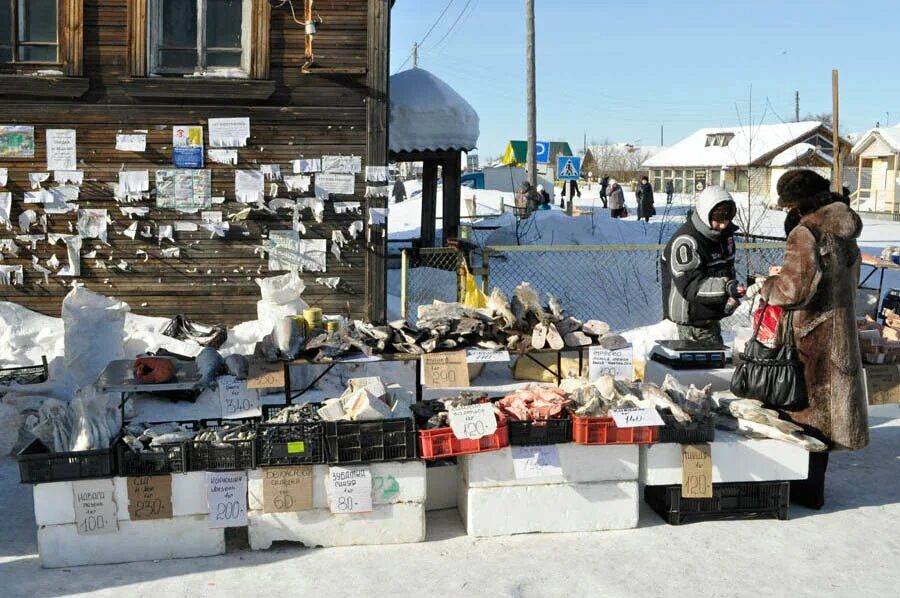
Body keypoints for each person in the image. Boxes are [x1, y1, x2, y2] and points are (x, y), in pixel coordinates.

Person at [745, 169, 868, 509]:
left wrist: (767, 284)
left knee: (802, 414)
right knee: (824, 419)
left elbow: (792, 289)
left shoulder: (807, 232)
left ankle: (799, 491)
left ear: (798, 204)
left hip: (811, 337)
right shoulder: (846, 230)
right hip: (839, 332)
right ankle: (814, 491)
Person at [661, 185, 744, 344]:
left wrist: (730, 296)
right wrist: (726, 287)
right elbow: (691, 285)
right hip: (691, 322)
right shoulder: (686, 242)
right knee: (704, 368)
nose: (723, 225)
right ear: (705, 214)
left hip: (711, 318)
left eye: (727, 220)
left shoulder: (723, 238)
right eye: (718, 220)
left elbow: (727, 271)